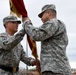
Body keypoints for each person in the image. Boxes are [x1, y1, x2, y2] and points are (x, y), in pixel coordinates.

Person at [22, 4, 72, 75]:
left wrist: (26, 23)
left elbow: (37, 35)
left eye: (42, 15)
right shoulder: (59, 24)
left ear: (48, 13)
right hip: (59, 69)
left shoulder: (53, 23)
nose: (41, 18)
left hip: (55, 70)